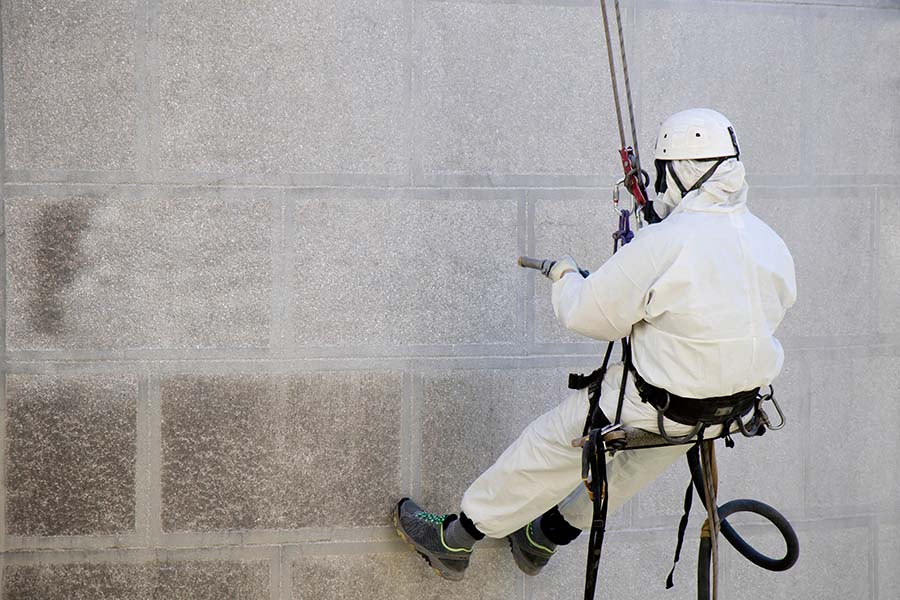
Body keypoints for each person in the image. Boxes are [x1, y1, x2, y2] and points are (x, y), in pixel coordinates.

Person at [394, 108, 797, 581]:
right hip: (726, 411)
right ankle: (544, 536)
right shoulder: (770, 241)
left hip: (658, 403)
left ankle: (454, 540)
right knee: (635, 463)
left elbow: (588, 315)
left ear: (681, 170)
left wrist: (565, 275)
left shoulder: (665, 242)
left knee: (549, 447)